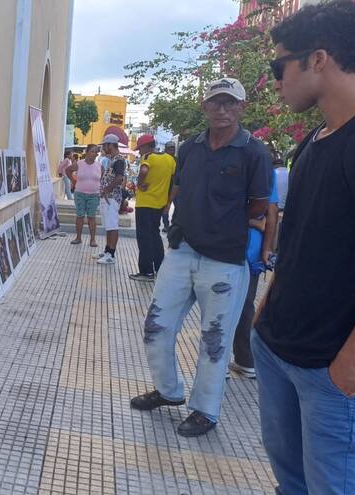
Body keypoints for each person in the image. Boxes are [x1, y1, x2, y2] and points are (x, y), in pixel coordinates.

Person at [253, 3, 355, 492]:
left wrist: (353, 360)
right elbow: (303, 235)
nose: (275, 81)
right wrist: (266, 309)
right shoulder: (314, 140)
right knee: (292, 484)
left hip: (335, 368)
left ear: (319, 59)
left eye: (279, 66)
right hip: (278, 349)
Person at [129, 77, 271, 437]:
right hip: (183, 250)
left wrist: (228, 227)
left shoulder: (253, 152)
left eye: (230, 103)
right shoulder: (190, 147)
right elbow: (179, 187)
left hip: (225, 260)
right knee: (156, 326)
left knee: (214, 340)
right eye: (215, 102)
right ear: (204, 106)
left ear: (241, 107)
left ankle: (205, 410)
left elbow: (259, 205)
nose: (222, 110)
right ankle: (168, 390)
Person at [229, 172, 279, 379]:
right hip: (254, 249)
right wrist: (267, 248)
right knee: (245, 304)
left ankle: (219, 362)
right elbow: (272, 213)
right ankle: (245, 359)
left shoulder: (230, 166)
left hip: (228, 245)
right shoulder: (267, 172)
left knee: (222, 303)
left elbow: (223, 209)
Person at [129, 134, 176, 282]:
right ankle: (159, 268)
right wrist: (168, 202)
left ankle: (146, 271)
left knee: (144, 238)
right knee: (155, 235)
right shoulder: (169, 159)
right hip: (159, 204)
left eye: (140, 148)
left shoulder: (148, 157)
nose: (139, 151)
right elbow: (175, 182)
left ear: (146, 146)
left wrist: (139, 184)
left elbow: (143, 171)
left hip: (145, 203)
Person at [95, 135, 127, 264]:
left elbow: (119, 178)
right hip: (107, 197)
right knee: (108, 226)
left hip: (112, 197)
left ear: (110, 145)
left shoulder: (118, 160)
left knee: (112, 226)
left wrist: (107, 190)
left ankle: (111, 255)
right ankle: (107, 250)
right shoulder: (112, 159)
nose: (103, 147)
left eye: (104, 145)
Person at [66, 144, 102, 247]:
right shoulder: (79, 164)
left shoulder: (99, 165)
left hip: (94, 195)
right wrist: (73, 180)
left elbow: (102, 177)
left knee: (91, 217)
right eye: (92, 151)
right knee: (80, 216)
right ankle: (78, 238)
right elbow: (68, 170)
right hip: (80, 194)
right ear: (87, 152)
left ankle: (92, 240)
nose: (94, 154)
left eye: (96, 152)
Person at [161, 141, 177, 232]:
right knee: (165, 207)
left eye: (173, 149)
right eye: (170, 149)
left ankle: (175, 225)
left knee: (178, 207)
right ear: (166, 149)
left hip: (176, 187)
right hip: (166, 187)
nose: (172, 151)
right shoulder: (162, 159)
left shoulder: (177, 160)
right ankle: (166, 225)